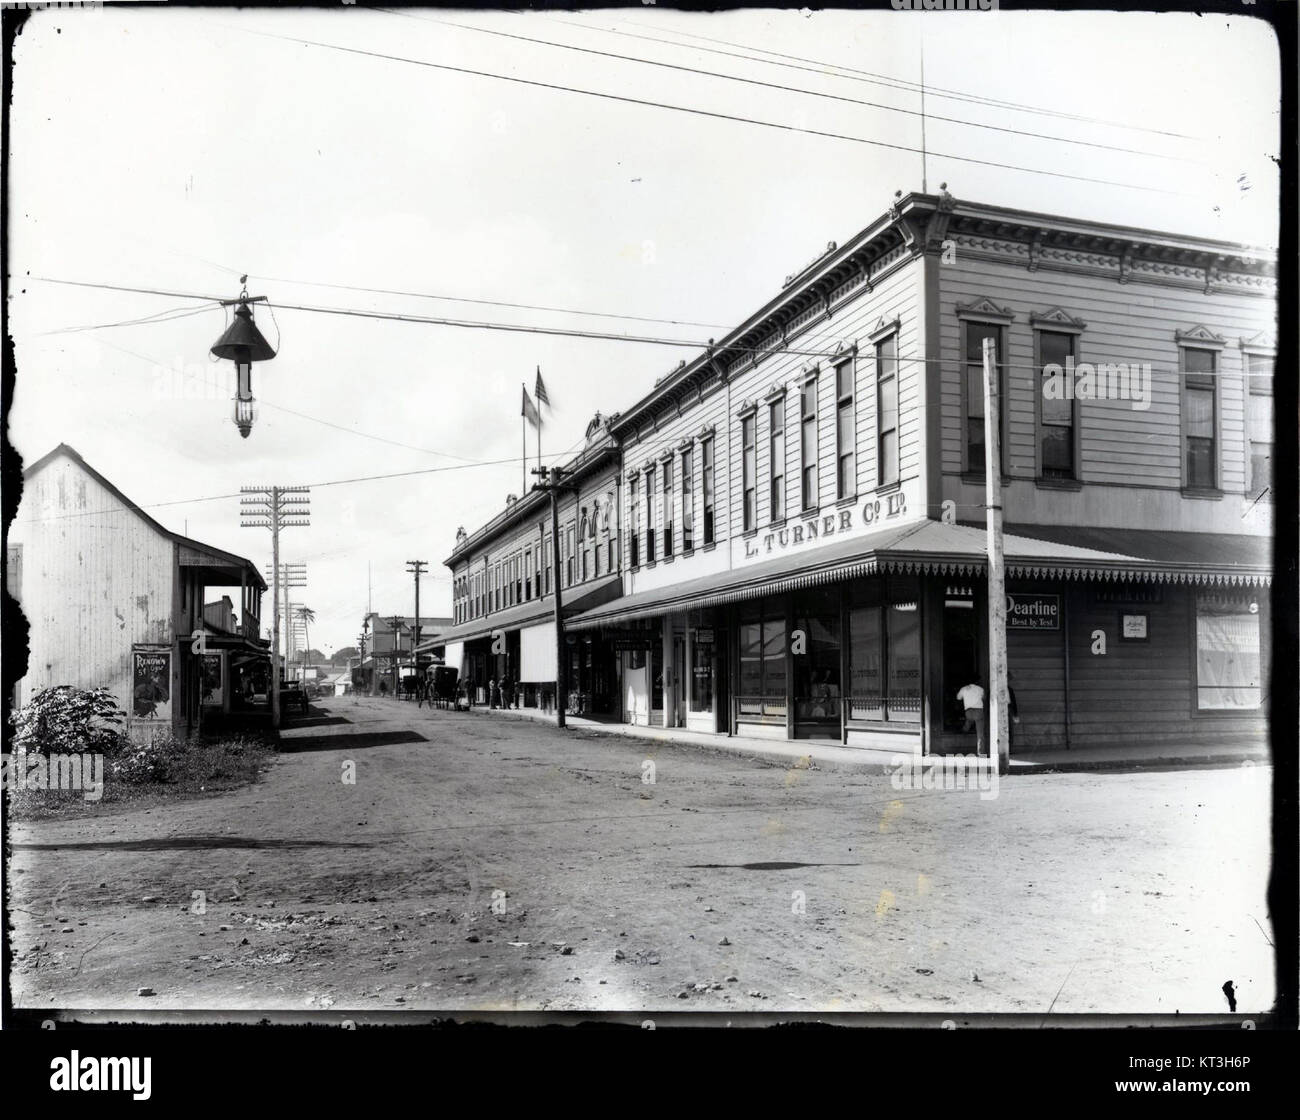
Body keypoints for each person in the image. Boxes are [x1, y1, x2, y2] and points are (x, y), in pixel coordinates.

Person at [956, 679, 987, 756]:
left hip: (968, 711)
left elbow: (958, 698)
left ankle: (964, 730)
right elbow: (984, 698)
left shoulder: (963, 688)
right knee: (980, 733)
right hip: (978, 711)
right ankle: (981, 753)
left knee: (969, 720)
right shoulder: (980, 689)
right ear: (977, 682)